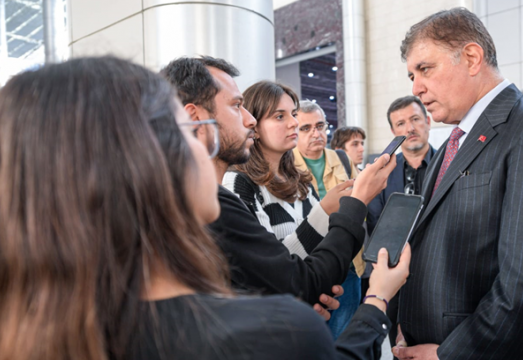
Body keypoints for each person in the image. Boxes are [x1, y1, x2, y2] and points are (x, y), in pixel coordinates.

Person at [0, 55, 411, 360]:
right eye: (186, 130)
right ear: (138, 159)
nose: (202, 143)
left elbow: (276, 274)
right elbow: (292, 278)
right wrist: (375, 300)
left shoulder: (36, 329)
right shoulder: (267, 331)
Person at [393, 8, 523, 359]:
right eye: (411, 76)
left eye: (425, 69)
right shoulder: (456, 140)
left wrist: (451, 354)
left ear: (472, 57)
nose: (417, 88)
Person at [160, 57, 396, 317]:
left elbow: (272, 280)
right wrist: (352, 205)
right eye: (237, 106)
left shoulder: (297, 178)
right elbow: (289, 275)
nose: (248, 119)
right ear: (196, 118)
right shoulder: (218, 197)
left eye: (294, 115)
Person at [223, 81, 351, 259]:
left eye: (294, 114)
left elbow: (329, 243)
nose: (294, 123)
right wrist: (324, 210)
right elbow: (271, 262)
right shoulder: (239, 183)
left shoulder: (301, 182)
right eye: (279, 116)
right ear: (255, 126)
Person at [366, 95, 436, 349]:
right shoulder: (382, 173)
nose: (410, 128)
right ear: (393, 131)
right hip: (393, 271)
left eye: (416, 119)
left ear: (428, 121)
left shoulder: (449, 165)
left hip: (436, 272)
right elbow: (374, 221)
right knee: (399, 347)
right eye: (401, 124)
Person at [292, 99, 364, 338]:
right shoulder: (286, 165)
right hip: (310, 262)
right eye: (306, 128)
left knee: (344, 335)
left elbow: (360, 201)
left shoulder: (342, 160)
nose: (316, 133)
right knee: (313, 338)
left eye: (320, 126)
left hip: (347, 262)